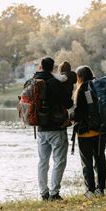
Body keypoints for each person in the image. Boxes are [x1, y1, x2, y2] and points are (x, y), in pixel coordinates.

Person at [33, 57, 73, 201]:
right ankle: (54, 193)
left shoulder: (34, 81)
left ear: (41, 66)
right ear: (52, 67)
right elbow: (67, 104)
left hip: (41, 129)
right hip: (57, 128)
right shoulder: (55, 83)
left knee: (43, 161)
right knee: (59, 161)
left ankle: (43, 193)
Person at [71, 65, 106, 198]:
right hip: (100, 132)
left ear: (79, 77)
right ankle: (101, 189)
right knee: (100, 160)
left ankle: (90, 190)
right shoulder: (97, 88)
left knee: (87, 163)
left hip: (86, 133)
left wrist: (70, 117)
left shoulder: (82, 90)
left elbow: (78, 113)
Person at [53, 61, 77, 128]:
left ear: (60, 69)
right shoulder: (72, 76)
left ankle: (67, 120)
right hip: (69, 97)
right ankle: (69, 119)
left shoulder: (64, 77)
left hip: (64, 98)